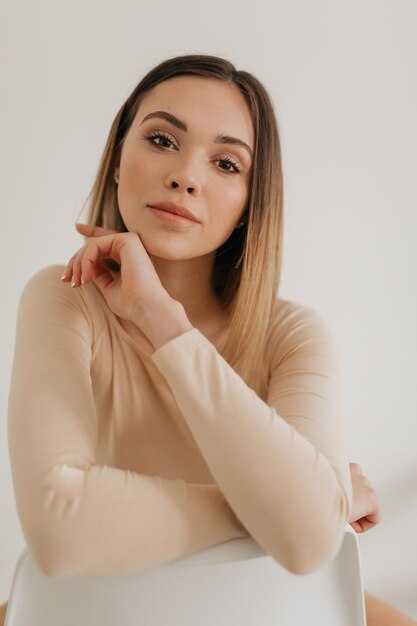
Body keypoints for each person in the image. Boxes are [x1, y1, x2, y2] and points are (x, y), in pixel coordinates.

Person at [3, 53, 416, 625]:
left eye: (226, 163)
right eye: (163, 140)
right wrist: (292, 506)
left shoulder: (292, 336)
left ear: (251, 204)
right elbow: (59, 530)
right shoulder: (64, 296)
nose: (186, 176)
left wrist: (163, 323)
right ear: (118, 160)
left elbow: (311, 544)